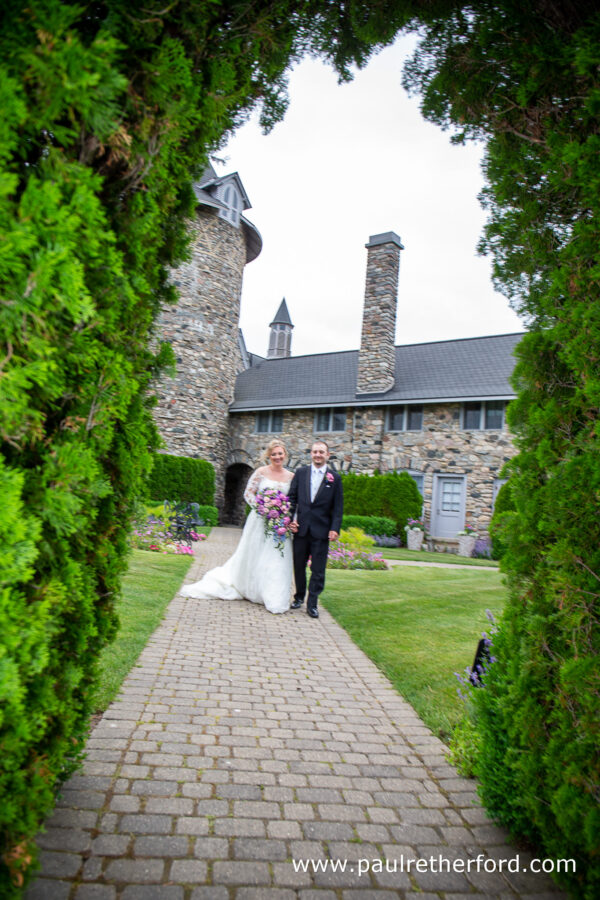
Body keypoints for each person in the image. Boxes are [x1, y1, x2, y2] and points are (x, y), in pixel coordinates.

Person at [180, 440, 293, 614]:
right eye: (274, 454)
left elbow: (292, 500)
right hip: (259, 520)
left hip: (279, 524)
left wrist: (284, 512)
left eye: (280, 453)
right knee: (254, 553)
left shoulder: (291, 477)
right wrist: (262, 507)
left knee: (275, 556)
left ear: (285, 454)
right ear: (269, 456)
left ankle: (272, 594)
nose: (277, 457)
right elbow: (248, 493)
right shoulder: (261, 472)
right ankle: (249, 586)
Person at [288, 440, 343, 618]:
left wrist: (335, 528)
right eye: (315, 452)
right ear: (310, 454)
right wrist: (291, 520)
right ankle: (298, 597)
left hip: (322, 531)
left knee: (318, 570)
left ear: (327, 455)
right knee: (298, 566)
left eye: (321, 452)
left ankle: (312, 604)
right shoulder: (301, 473)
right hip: (301, 529)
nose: (318, 455)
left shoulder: (334, 478)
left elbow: (337, 507)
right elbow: (292, 499)